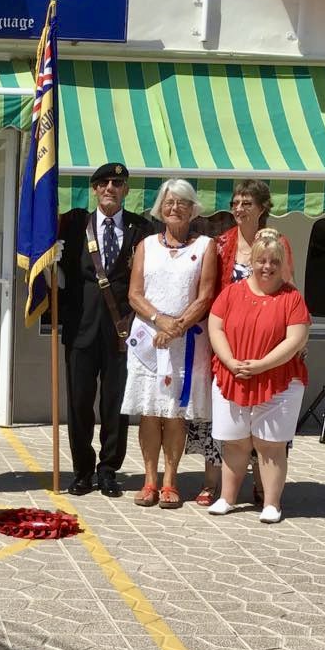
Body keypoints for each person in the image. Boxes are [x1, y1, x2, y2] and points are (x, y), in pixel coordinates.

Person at [57, 162, 153, 497]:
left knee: (115, 404)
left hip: (122, 331)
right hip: (80, 328)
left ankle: (109, 469)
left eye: (117, 183)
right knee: (80, 403)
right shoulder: (74, 225)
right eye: (103, 183)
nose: (110, 188)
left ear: (126, 189)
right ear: (94, 189)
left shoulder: (142, 228)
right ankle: (82, 470)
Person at [123, 179, 217, 509]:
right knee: (150, 412)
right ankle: (148, 480)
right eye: (168, 202)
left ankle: (170, 481)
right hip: (149, 340)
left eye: (181, 202)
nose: (174, 208)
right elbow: (134, 294)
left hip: (187, 343)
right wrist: (161, 322)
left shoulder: (206, 246)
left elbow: (205, 296)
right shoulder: (146, 245)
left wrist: (176, 328)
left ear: (193, 208)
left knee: (176, 413)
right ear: (160, 209)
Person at [207, 229, 309, 523]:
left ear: (282, 263)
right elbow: (216, 327)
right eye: (261, 260)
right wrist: (229, 360)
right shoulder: (232, 292)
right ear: (251, 261)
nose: (267, 266)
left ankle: (272, 504)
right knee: (235, 442)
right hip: (233, 376)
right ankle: (227, 499)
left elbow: (296, 339)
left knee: (270, 445)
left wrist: (262, 364)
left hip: (278, 381)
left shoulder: (292, 298)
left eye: (274, 261)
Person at [215, 179, 295, 506]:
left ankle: (265, 490)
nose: (239, 208)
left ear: (262, 208)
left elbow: (289, 285)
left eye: (247, 203)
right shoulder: (222, 243)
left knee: (268, 429)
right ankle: (220, 488)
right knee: (230, 426)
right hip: (230, 348)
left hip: (269, 348)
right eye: (235, 202)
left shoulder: (279, 243)